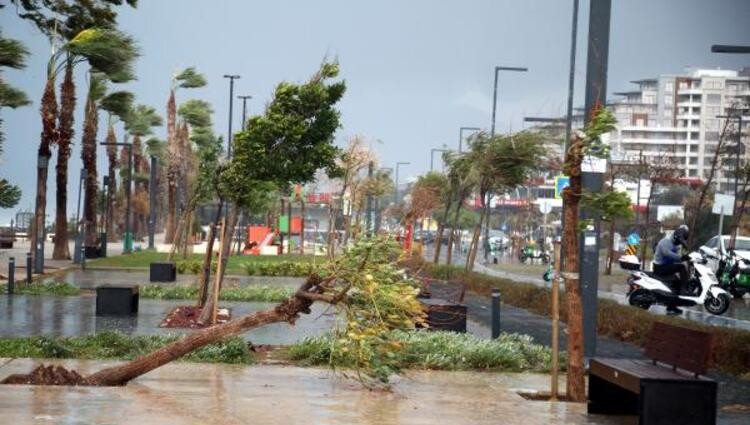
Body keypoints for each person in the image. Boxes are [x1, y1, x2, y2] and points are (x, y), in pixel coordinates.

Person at [652, 225, 690, 314]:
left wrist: (686, 257)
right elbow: (667, 253)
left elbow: (677, 256)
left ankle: (671, 307)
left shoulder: (676, 243)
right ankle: (685, 288)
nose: (679, 244)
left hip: (666, 266)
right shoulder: (666, 241)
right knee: (681, 267)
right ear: (676, 237)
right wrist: (681, 258)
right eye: (679, 241)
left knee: (677, 283)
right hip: (659, 267)